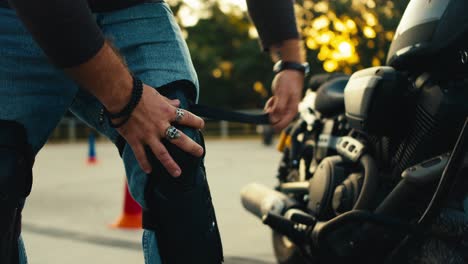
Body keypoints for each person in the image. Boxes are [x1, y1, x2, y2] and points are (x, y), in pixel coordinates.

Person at [0, 0, 307, 263]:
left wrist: (290, 59)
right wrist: (127, 100)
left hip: (132, 10)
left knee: (176, 161)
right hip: (16, 13)